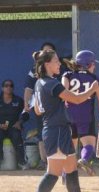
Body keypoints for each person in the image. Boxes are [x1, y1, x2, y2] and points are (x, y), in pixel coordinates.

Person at [27, 49, 99, 192]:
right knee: (53, 172)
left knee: (71, 168)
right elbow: (76, 99)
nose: (59, 64)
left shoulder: (40, 83)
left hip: (58, 129)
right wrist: (93, 89)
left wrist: (54, 106)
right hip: (56, 130)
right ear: (47, 64)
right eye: (56, 61)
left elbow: (37, 110)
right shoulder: (53, 83)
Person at [62, 50, 99, 176]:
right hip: (85, 115)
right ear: (88, 64)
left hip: (68, 114)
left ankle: (66, 177)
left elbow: (63, 92)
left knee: (70, 149)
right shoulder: (95, 79)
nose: (94, 66)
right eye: (93, 64)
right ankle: (84, 159)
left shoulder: (67, 75)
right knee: (88, 144)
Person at [23, 42, 57, 170]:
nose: (47, 54)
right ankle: (44, 161)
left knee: (58, 131)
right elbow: (28, 88)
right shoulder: (34, 71)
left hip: (55, 106)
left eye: (50, 51)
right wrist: (26, 102)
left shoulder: (58, 68)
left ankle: (58, 159)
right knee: (42, 132)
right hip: (41, 107)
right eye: (45, 52)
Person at [0, 79, 30, 170]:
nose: (9, 87)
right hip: (0, 127)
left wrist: (20, 122)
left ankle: (22, 162)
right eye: (6, 85)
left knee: (17, 136)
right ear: (2, 88)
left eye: (11, 86)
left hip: (13, 127)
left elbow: (26, 114)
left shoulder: (19, 100)